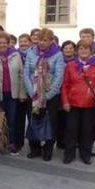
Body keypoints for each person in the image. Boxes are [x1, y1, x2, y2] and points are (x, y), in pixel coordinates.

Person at [61, 41, 95, 164]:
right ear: (77, 51)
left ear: (91, 51)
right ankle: (69, 154)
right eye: (81, 49)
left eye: (86, 49)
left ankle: (85, 154)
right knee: (71, 130)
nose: (83, 51)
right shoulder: (71, 65)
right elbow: (65, 85)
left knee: (87, 130)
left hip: (90, 103)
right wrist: (65, 101)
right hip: (73, 103)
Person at [24, 28, 65, 161]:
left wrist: (47, 95)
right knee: (33, 120)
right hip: (34, 93)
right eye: (40, 40)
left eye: (45, 40)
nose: (42, 42)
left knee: (50, 122)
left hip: (50, 95)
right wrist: (32, 92)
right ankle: (35, 148)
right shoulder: (31, 53)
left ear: (51, 40)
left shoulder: (58, 55)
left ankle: (48, 149)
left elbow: (59, 77)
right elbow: (26, 73)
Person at [0, 32, 26, 154]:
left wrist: (22, 94)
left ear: (9, 44)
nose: (2, 45)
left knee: (12, 120)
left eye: (4, 43)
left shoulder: (16, 56)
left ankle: (12, 144)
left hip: (12, 94)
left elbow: (21, 75)